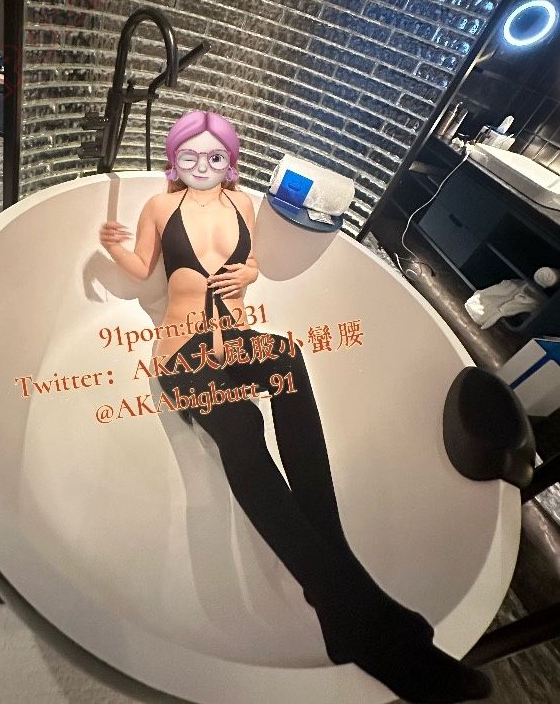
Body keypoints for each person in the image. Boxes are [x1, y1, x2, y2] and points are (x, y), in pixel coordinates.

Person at [99, 110, 492, 704]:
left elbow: (253, 263)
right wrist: (115, 250)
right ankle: (354, 604)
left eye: (214, 156)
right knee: (242, 422)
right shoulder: (160, 207)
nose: (202, 165)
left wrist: (244, 275)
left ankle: (340, 592)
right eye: (189, 155)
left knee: (286, 357)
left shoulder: (242, 204)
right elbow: (143, 268)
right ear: (175, 158)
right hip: (181, 353)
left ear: (229, 161)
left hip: (235, 336)